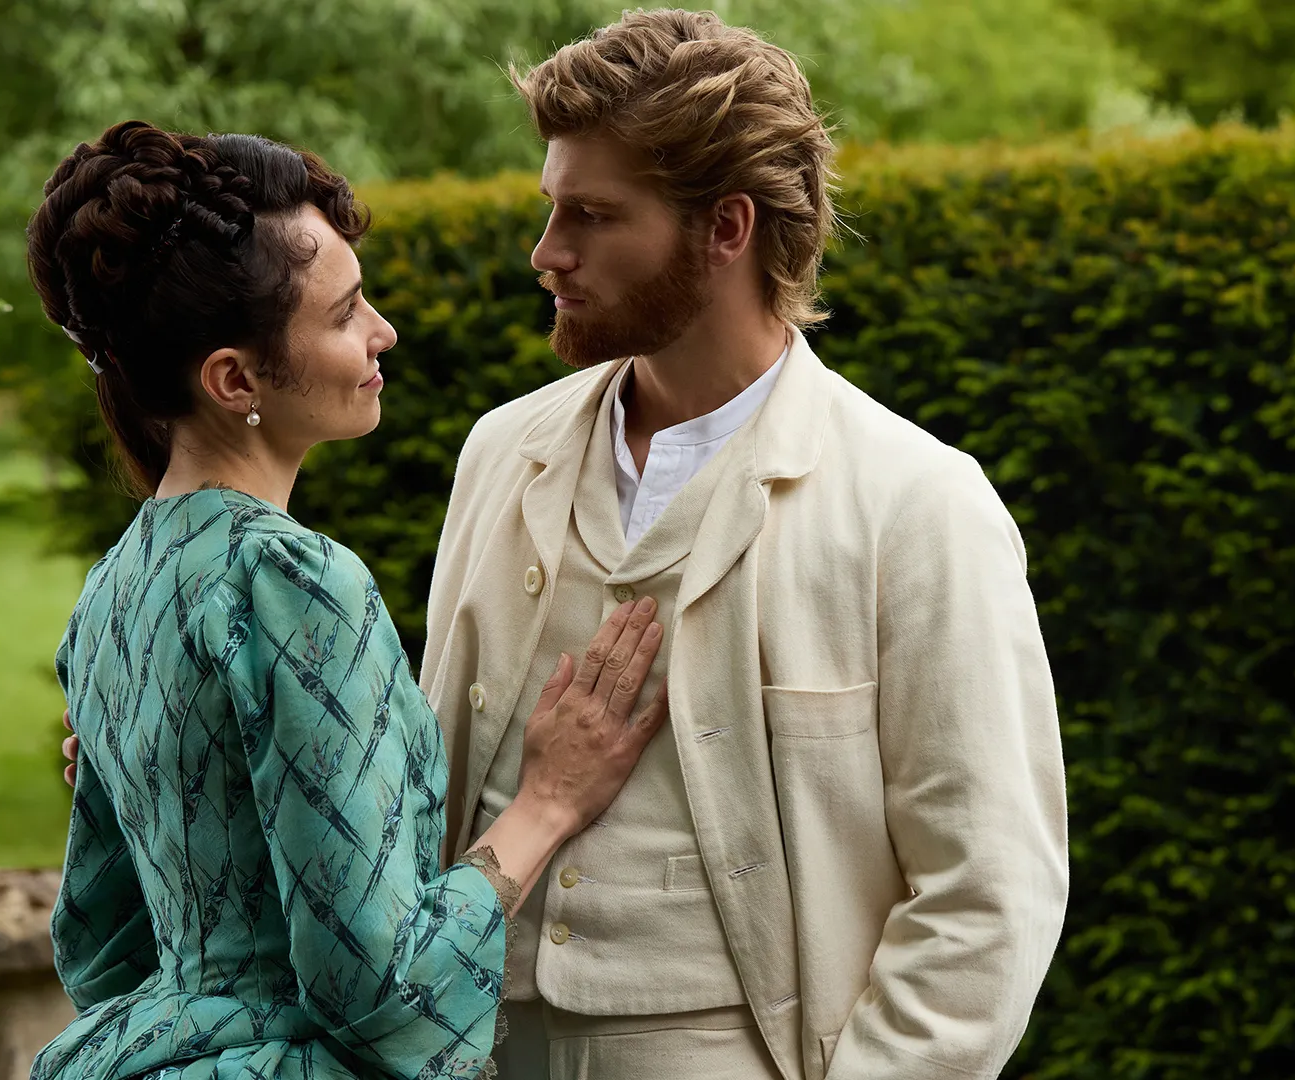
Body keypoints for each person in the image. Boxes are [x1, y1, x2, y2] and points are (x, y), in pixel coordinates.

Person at [420, 11, 1069, 1080]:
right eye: (551, 208)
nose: (547, 254)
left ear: (726, 227)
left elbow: (987, 891)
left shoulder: (917, 503)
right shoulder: (500, 453)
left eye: (592, 216)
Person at [29, 119, 671, 1080]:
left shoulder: (112, 596)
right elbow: (383, 993)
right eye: (343, 314)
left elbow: (102, 952)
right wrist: (548, 803)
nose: (383, 332)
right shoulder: (291, 581)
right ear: (234, 379)